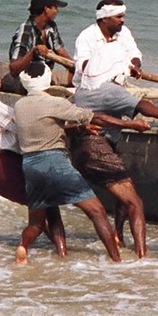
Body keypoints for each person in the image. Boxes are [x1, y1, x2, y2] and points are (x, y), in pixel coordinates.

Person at [11, 67, 139, 262]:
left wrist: (78, 128)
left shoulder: (19, 106)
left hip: (30, 165)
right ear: (48, 81)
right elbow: (97, 117)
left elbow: (47, 126)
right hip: (55, 162)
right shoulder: (55, 103)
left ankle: (23, 247)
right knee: (97, 211)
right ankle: (117, 260)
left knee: (36, 223)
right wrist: (132, 124)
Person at [0, 69, 66, 260]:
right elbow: (23, 126)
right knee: (43, 212)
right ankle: (26, 247)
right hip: (5, 166)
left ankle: (60, 253)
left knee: (45, 206)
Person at [72, 0, 158, 130]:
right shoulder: (86, 36)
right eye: (118, 17)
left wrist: (134, 66)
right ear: (105, 18)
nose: (122, 20)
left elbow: (134, 54)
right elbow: (83, 67)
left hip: (115, 90)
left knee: (112, 125)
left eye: (123, 17)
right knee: (127, 110)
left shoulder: (123, 32)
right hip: (92, 90)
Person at [8, 0, 73, 89]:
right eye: (55, 7)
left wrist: (77, 69)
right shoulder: (26, 30)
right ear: (46, 9)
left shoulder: (51, 26)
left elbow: (61, 53)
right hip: (27, 81)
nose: (57, 11)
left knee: (75, 77)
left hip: (46, 76)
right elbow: (13, 69)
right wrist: (33, 52)